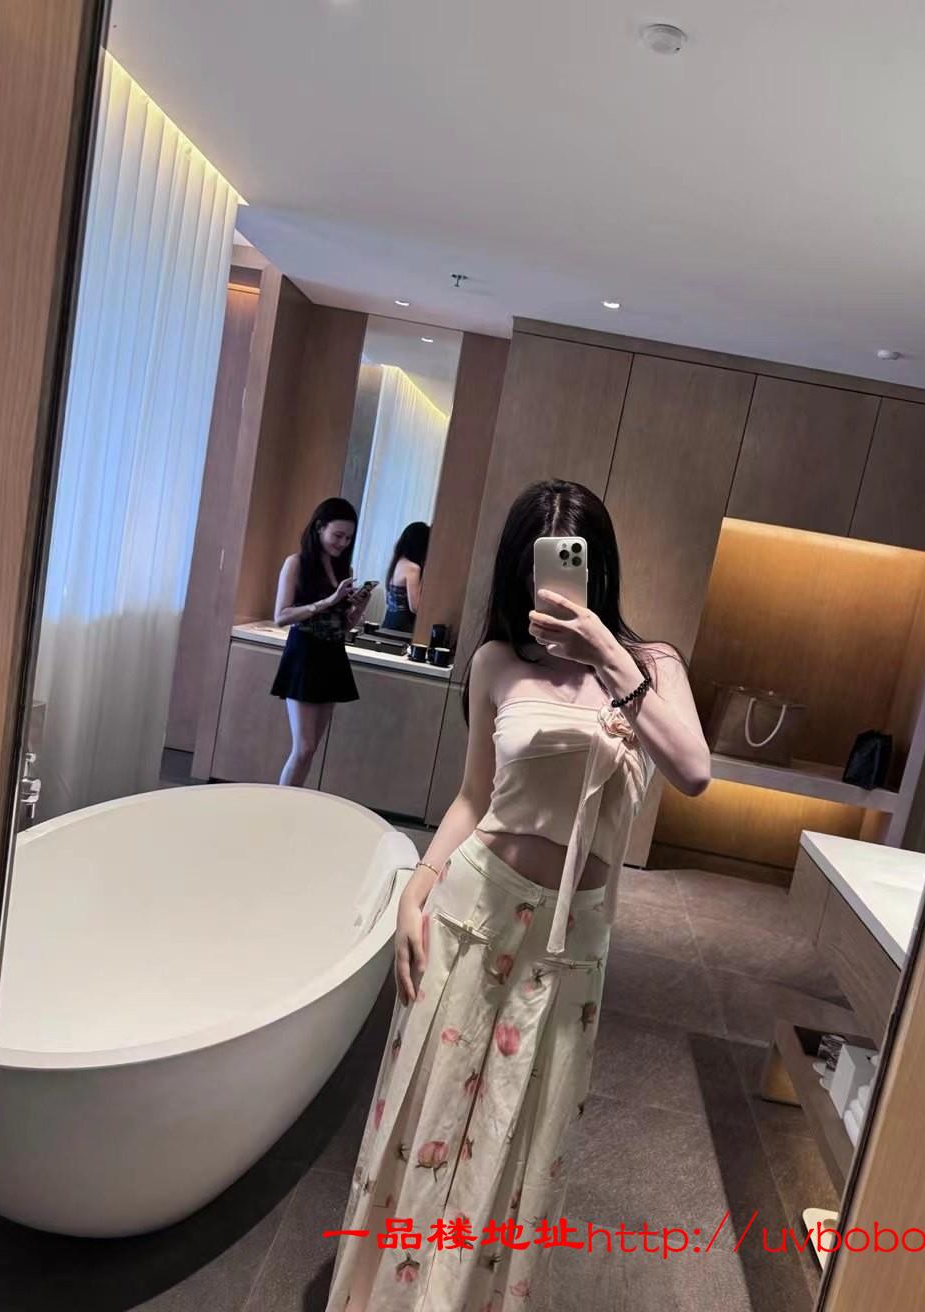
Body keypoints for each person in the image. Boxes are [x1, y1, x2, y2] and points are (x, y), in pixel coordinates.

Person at [325, 480, 711, 1311]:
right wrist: (416, 888)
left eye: (576, 569)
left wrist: (608, 655)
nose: (558, 591)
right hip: (474, 915)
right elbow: (474, 797)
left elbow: (693, 770)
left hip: (570, 945)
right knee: (428, 1116)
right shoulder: (496, 664)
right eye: (543, 571)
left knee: (521, 1138)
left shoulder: (652, 668)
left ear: (600, 572)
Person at [271, 498, 372, 786]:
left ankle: (293, 801)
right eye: (337, 535)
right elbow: (281, 616)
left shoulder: (344, 569)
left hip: (332, 655)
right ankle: (279, 804)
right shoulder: (296, 563)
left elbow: (343, 626)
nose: (343, 543)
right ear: (319, 528)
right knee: (303, 748)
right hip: (304, 653)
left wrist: (359, 608)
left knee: (311, 748)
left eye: (348, 538)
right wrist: (329, 600)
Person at [382, 521, 430, 633]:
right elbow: (415, 607)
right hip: (403, 626)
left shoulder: (397, 562)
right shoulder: (413, 568)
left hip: (388, 621)